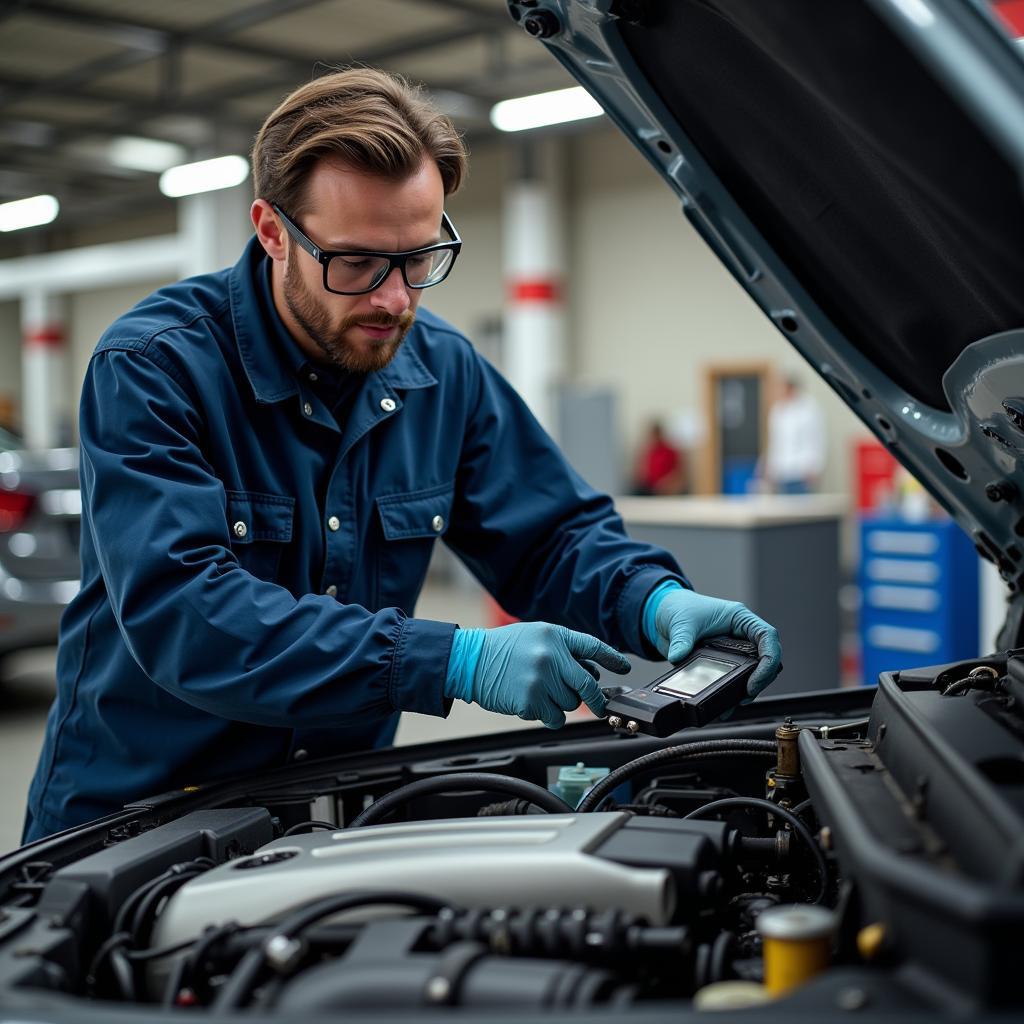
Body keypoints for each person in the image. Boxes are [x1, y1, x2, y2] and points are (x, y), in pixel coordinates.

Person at [22, 69, 781, 843]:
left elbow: (550, 535)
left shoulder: (442, 371)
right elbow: (187, 617)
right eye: (356, 263)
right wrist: (446, 660)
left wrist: (649, 599)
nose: (395, 299)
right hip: (137, 819)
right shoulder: (155, 367)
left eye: (421, 257)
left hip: (327, 811)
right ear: (272, 231)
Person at [761, 376, 826, 494]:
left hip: (803, 471)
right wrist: (770, 469)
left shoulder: (809, 407)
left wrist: (815, 467)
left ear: (791, 388)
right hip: (783, 472)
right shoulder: (777, 410)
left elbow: (817, 439)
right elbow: (775, 442)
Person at [633, 419, 686, 495]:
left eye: (656, 434)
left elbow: (678, 472)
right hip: (650, 487)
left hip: (666, 487)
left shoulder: (670, 451)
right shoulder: (649, 451)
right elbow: (642, 472)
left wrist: (666, 483)